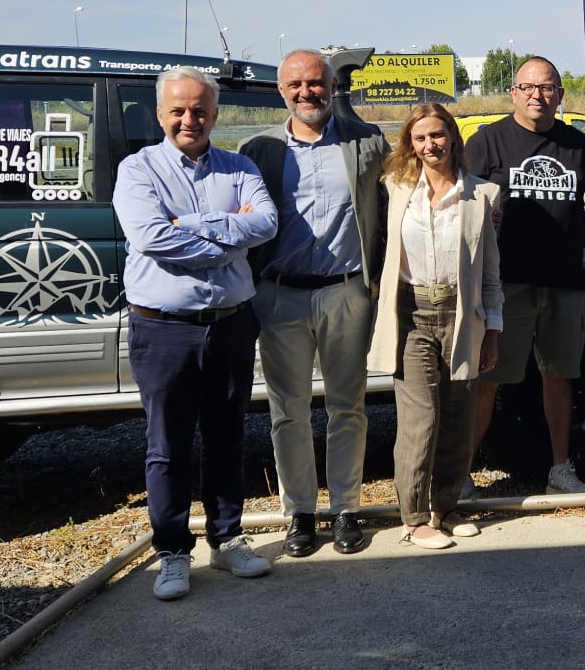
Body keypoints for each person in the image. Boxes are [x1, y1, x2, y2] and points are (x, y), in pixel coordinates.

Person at [113, 66, 278, 602]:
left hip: (231, 325)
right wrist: (230, 234)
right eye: (178, 110)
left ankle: (227, 539)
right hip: (163, 331)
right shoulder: (137, 171)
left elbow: (267, 223)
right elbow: (151, 236)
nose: (190, 119)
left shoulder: (240, 166)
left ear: (215, 113)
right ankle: (172, 553)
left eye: (200, 110)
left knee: (228, 437)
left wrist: (193, 224)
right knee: (168, 446)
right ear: (160, 114)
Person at [242, 49, 389, 558]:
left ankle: (346, 508)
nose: (307, 92)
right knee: (289, 412)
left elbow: (403, 196)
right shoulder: (257, 150)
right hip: (280, 295)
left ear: (331, 86)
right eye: (296, 85)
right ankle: (300, 513)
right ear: (281, 91)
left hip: (346, 292)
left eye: (316, 83)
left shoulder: (367, 141)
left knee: (348, 407)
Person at [366, 105, 503, 548]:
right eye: (421, 138)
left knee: (458, 418)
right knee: (420, 420)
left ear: (452, 138)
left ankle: (446, 506)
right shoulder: (395, 188)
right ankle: (414, 517)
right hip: (412, 314)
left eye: (439, 136)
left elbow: (490, 272)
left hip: (464, 316)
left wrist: (493, 330)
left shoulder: (482, 194)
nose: (431, 145)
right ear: (411, 143)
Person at [465, 55, 585, 494]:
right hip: (505, 284)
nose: (538, 95)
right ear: (514, 93)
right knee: (488, 382)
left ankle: (561, 468)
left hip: (564, 281)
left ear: (559, 94)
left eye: (547, 87)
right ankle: (458, 477)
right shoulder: (487, 143)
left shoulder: (578, 145)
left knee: (560, 379)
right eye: (529, 87)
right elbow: (459, 205)